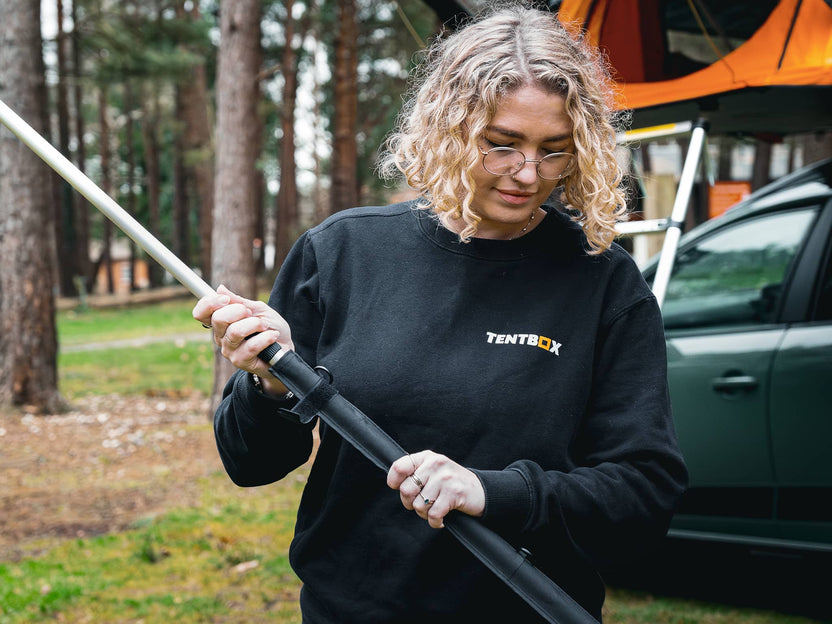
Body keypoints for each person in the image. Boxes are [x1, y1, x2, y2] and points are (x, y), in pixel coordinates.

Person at [193, 4, 687, 622]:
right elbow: (250, 463)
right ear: (448, 127)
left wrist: (493, 491)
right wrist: (268, 386)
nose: (528, 174)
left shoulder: (602, 281)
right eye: (501, 145)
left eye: (554, 150)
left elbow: (644, 495)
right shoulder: (341, 253)